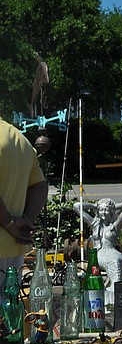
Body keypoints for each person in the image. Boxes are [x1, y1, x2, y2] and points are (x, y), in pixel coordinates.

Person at [0, 117, 48, 304]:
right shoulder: (20, 139)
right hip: (14, 248)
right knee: (10, 317)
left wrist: (10, 223)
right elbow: (39, 186)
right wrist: (26, 219)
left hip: (12, 233)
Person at [74, 198, 122, 303]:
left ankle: (115, 293)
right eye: (101, 210)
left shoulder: (115, 226)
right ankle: (112, 296)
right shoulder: (94, 224)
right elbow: (76, 206)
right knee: (112, 262)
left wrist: (114, 206)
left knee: (115, 261)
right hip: (98, 254)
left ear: (111, 211)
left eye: (106, 210)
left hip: (112, 252)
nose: (104, 213)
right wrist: (94, 205)